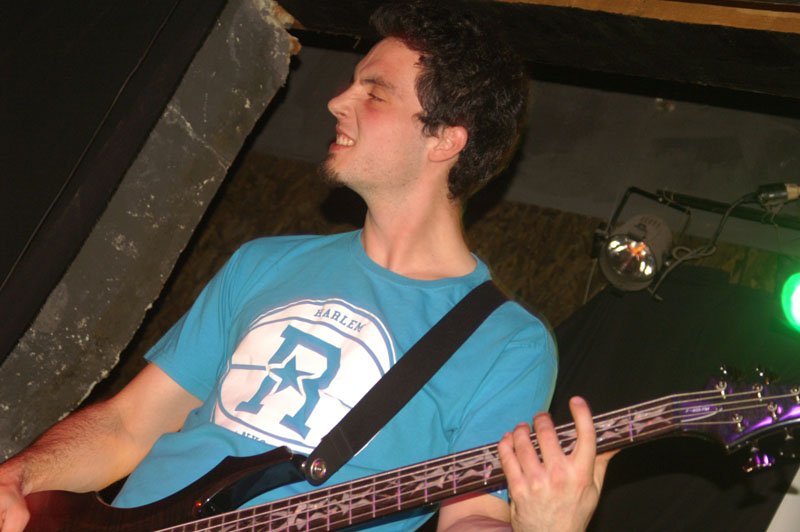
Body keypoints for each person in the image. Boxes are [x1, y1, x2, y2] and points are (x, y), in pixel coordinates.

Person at [0, 2, 613, 530]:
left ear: (447, 139)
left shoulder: (508, 342)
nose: (336, 100)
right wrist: (19, 477)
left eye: (374, 92)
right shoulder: (262, 262)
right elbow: (129, 426)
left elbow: (472, 514)